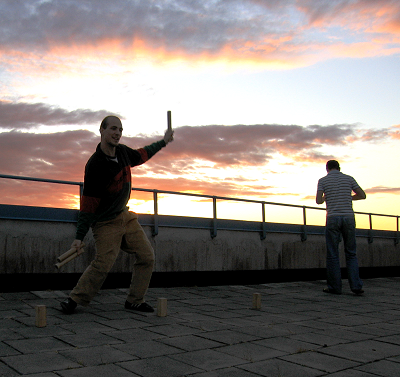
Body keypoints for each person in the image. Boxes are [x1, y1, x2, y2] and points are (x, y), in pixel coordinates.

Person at [60, 115, 174, 314]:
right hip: (105, 223)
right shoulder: (95, 165)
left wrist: (163, 142)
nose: (117, 133)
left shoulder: (122, 152)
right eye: (113, 129)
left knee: (147, 256)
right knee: (103, 264)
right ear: (102, 131)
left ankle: (135, 300)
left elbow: (143, 154)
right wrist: (79, 237)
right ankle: (75, 299)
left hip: (126, 217)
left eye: (120, 130)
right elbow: (88, 205)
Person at [316, 160, 366, 295]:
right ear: (339, 168)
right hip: (348, 218)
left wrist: (327, 197)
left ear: (327, 169)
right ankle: (356, 286)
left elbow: (318, 201)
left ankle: (335, 287)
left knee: (333, 254)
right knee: (351, 253)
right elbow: (362, 195)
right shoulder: (349, 179)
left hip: (333, 218)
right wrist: (349, 198)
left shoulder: (323, 181)